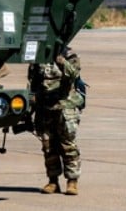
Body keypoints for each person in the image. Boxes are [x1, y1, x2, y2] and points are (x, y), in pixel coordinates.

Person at [28, 45, 84, 195]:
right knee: (48, 146)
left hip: (65, 106)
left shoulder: (69, 54)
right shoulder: (37, 56)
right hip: (44, 107)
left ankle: (72, 181)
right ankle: (53, 181)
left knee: (68, 144)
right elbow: (33, 83)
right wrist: (29, 109)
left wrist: (59, 59)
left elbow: (73, 74)